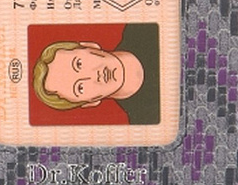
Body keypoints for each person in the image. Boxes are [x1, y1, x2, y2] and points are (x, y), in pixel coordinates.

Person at [32, 24, 160, 124]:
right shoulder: (148, 122)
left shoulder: (146, 27)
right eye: (80, 88)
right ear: (90, 103)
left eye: (79, 64)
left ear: (89, 45)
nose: (94, 76)